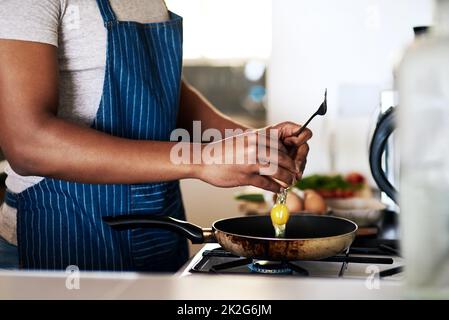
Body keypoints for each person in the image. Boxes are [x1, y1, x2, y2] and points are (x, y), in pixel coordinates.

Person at [0, 0, 311, 272]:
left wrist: (256, 145)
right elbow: (27, 144)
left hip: (159, 234)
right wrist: (201, 159)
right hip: (60, 240)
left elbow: (163, 95)